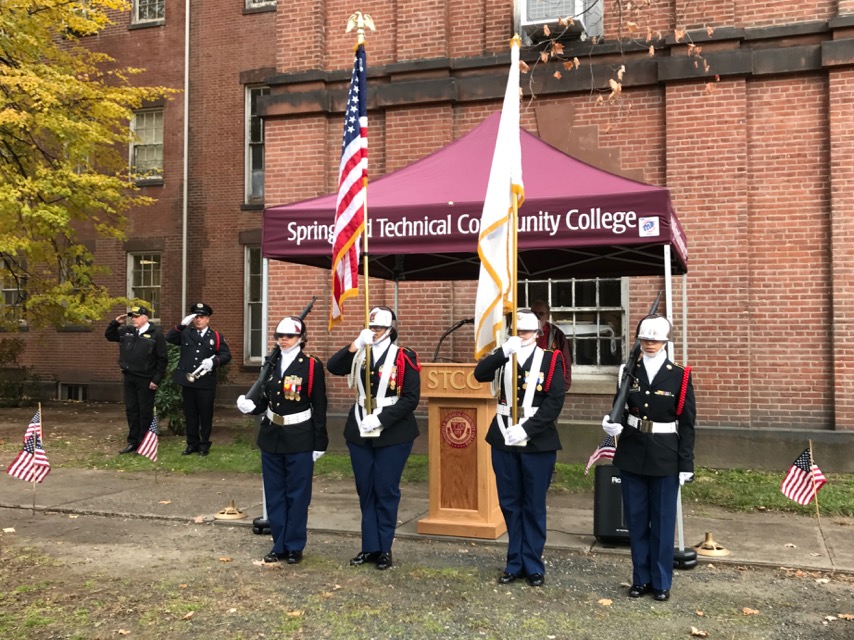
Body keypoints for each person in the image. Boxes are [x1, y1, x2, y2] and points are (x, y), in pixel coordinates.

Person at [601, 314, 696, 602]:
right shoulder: (628, 370)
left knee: (663, 523)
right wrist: (610, 425)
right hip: (631, 452)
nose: (650, 344)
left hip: (665, 455)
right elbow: (620, 407)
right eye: (645, 339)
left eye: (655, 339)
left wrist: (686, 463)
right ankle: (641, 578)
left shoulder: (679, 374)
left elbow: (688, 423)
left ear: (666, 341)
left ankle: (661, 581)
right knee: (637, 521)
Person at [473, 308, 566, 587]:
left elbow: (554, 401)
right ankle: (514, 562)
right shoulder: (504, 357)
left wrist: (527, 428)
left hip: (537, 440)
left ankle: (533, 563)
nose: (522, 336)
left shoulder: (551, 360)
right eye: (518, 331)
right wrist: (503, 351)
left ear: (538, 334)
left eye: (527, 332)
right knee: (510, 503)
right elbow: (479, 374)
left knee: (533, 504)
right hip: (503, 436)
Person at [326, 306, 421, 571]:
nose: (374, 332)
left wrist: (382, 418)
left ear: (390, 329)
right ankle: (369, 546)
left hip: (393, 432)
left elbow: (411, 398)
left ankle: (385, 548)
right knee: (365, 488)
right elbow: (334, 367)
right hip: (359, 428)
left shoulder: (404, 356)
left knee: (385, 489)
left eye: (379, 328)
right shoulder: (362, 353)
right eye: (371, 327)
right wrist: (355, 344)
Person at [236, 315, 327, 565]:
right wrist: (250, 406)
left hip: (300, 436)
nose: (284, 340)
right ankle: (279, 545)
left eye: (289, 336)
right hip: (272, 436)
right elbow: (265, 400)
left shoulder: (311, 365)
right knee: (275, 495)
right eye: (280, 336)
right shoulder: (271, 363)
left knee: (297, 496)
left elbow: (320, 406)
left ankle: (295, 545)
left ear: (301, 339)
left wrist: (320, 442)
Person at [165, 302, 232, 456]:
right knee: (190, 414)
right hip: (188, 381)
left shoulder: (215, 336)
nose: (198, 320)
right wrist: (182, 325)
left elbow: (226, 355)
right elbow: (169, 338)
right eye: (196, 317)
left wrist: (213, 362)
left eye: (201, 317)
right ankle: (191, 444)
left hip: (206, 382)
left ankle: (204, 445)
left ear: (208, 319)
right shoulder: (186, 333)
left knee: (205, 414)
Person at [105, 305, 168, 454]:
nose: (133, 319)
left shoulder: (155, 334)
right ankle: (133, 441)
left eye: (136, 316)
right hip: (129, 376)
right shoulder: (128, 331)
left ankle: (144, 443)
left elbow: (162, 359)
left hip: (146, 379)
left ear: (145, 318)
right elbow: (109, 336)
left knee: (145, 411)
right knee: (132, 410)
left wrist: (156, 379)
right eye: (132, 316)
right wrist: (115, 323)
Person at [530, 300, 572, 389]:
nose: (537, 317)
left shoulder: (557, 334)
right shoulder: (523, 333)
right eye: (534, 313)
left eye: (541, 314)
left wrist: (565, 384)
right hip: (527, 380)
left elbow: (566, 360)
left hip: (550, 381)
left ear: (548, 315)